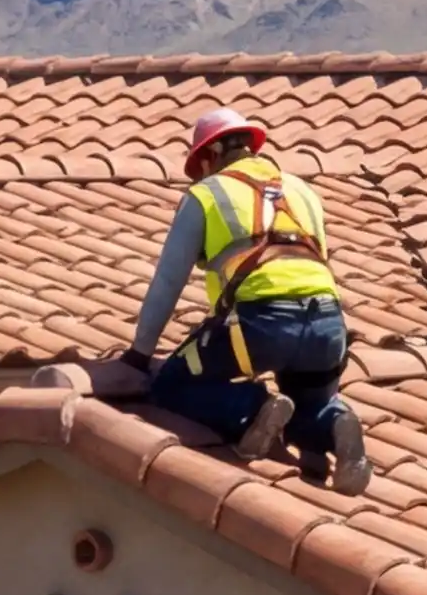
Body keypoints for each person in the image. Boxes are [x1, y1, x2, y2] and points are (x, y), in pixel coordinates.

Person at [119, 107, 373, 493]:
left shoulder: (206, 194)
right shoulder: (303, 190)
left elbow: (169, 279)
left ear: (209, 156)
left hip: (261, 325)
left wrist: (140, 353)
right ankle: (333, 423)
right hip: (328, 326)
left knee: (172, 384)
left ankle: (252, 409)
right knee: (307, 404)